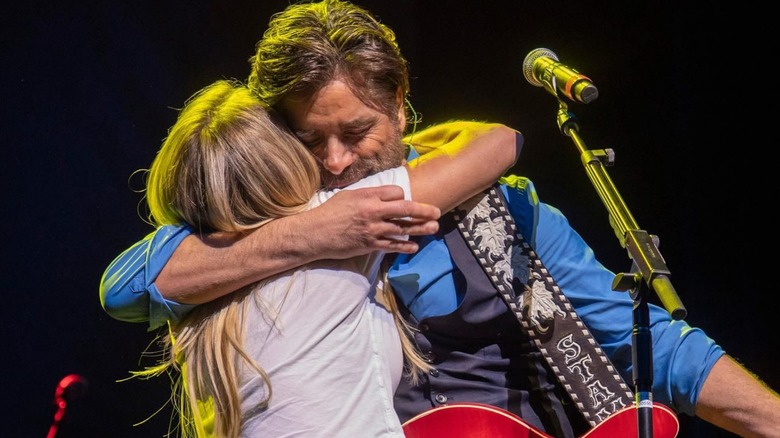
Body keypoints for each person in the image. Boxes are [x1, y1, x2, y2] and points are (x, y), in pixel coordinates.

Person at [101, 1, 780, 437]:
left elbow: (652, 347)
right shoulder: (265, 220)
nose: (336, 162)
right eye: (310, 141)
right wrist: (313, 234)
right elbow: (129, 284)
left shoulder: (500, 210)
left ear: (398, 105)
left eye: (357, 131)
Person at [125, 78, 520, 437]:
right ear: (284, 160)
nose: (333, 161)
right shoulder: (342, 214)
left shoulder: (194, 287)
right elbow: (500, 143)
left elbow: (118, 289)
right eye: (306, 140)